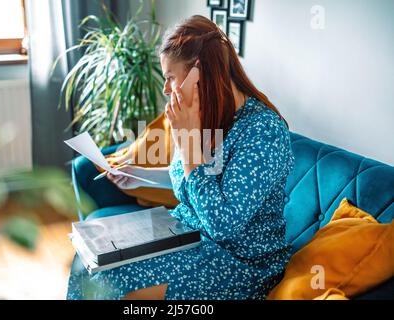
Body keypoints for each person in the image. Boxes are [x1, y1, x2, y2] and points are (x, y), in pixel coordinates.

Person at [68, 15, 295, 300]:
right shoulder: (209, 117)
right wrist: (138, 175)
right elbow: (189, 178)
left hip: (240, 262)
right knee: (87, 263)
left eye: (170, 77)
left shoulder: (263, 131)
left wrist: (188, 144)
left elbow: (221, 225)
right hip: (188, 235)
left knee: (111, 282)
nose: (166, 89)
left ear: (199, 75)